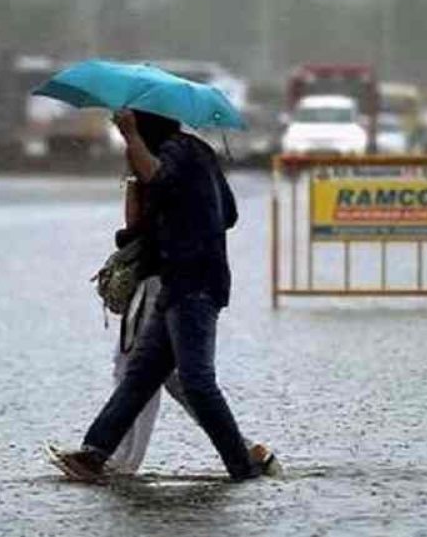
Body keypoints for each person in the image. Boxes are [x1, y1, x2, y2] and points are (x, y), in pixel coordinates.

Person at [48, 109, 276, 482]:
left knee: (196, 382)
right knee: (140, 376)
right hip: (177, 283)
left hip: (195, 283)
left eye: (130, 126)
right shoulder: (195, 153)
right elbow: (225, 214)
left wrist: (132, 139)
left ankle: (242, 465)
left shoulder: (178, 153)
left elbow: (161, 179)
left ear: (144, 125)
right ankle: (93, 455)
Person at [104, 164, 279, 476]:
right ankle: (246, 449)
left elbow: (137, 226)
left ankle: (120, 460)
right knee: (172, 377)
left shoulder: (158, 164)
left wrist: (133, 180)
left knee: (136, 368)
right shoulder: (186, 165)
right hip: (177, 279)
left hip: (162, 280)